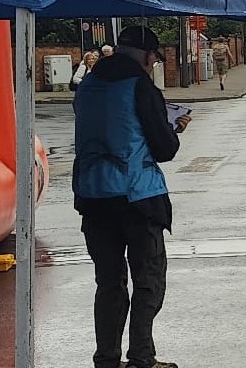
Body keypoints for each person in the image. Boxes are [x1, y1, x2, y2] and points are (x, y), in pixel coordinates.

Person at [72, 25, 191, 368]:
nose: (154, 64)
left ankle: (107, 359)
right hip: (137, 198)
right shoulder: (141, 86)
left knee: (108, 283)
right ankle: (142, 358)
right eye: (154, 58)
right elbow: (164, 149)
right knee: (148, 281)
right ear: (144, 55)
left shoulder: (88, 84)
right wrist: (174, 128)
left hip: (94, 198)